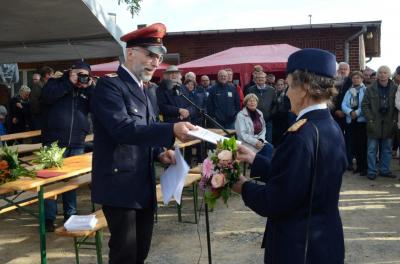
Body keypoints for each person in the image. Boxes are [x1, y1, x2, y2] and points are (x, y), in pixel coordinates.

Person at [90, 23, 195, 264]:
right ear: (130, 53)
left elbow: (145, 128)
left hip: (143, 183)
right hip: (119, 185)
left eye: (158, 57)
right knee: (124, 254)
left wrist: (160, 152)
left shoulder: (148, 90)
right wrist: (171, 130)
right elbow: (123, 129)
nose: (155, 62)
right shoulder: (110, 86)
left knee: (141, 252)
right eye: (149, 55)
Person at [232, 48, 347, 264]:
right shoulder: (329, 126)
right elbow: (302, 178)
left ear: (304, 87)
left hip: (299, 247)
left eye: (289, 84)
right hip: (324, 242)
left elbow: (276, 200)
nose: (286, 93)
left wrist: (241, 185)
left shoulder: (301, 134)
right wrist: (255, 159)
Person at [41, 61, 94, 232]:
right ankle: (48, 218)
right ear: (71, 71)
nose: (81, 77)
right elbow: (46, 98)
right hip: (54, 142)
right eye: (78, 73)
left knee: (71, 181)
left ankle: (70, 215)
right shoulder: (55, 83)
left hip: (77, 142)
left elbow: (96, 107)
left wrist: (90, 87)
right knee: (51, 181)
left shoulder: (86, 90)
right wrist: (68, 82)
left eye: (84, 74)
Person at [362, 65, 397, 180]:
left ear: (389, 74)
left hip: (389, 122)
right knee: (372, 149)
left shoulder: (395, 88)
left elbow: (397, 106)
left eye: (385, 72)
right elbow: (365, 105)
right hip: (374, 122)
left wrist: (394, 119)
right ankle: (371, 171)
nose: (382, 74)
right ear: (377, 74)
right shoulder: (370, 88)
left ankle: (384, 170)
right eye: (380, 72)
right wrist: (370, 119)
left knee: (387, 148)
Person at [341, 71, 367, 176]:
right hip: (351, 120)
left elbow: (365, 104)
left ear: (362, 79)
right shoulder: (349, 91)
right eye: (354, 78)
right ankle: (358, 167)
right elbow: (343, 104)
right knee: (354, 145)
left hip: (361, 121)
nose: (355, 79)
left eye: (358, 78)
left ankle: (364, 167)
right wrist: (350, 112)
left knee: (362, 145)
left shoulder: (365, 90)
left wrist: (356, 112)